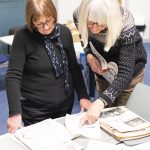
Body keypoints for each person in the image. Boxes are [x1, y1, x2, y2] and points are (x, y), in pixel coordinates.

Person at [6, 0, 91, 133]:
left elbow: (73, 68)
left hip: (65, 105)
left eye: (49, 21)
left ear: (54, 15)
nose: (45, 27)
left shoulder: (64, 32)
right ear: (31, 21)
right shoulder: (22, 37)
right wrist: (15, 113)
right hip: (36, 110)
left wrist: (83, 95)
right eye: (39, 23)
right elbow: (13, 76)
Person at [73, 0, 147, 125]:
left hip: (130, 72)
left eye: (101, 24)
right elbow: (83, 37)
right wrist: (89, 56)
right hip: (104, 70)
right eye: (90, 23)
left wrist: (100, 102)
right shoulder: (79, 15)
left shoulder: (124, 22)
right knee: (106, 119)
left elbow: (125, 73)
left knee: (126, 120)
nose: (95, 29)